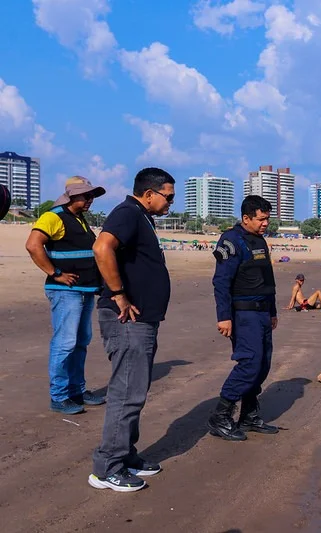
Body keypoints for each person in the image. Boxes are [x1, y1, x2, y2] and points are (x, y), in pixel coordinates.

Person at [88, 168, 175, 492]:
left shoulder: (141, 217)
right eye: (168, 197)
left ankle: (125, 455)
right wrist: (119, 294)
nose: (170, 203)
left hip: (142, 320)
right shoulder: (127, 213)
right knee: (126, 393)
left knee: (135, 392)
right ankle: (107, 467)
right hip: (127, 320)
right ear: (149, 193)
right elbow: (102, 248)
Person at [25, 176, 107, 415]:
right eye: (86, 195)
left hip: (84, 290)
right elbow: (33, 245)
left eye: (92, 196)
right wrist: (55, 273)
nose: (90, 199)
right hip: (66, 292)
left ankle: (76, 391)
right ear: (72, 195)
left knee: (81, 342)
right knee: (65, 343)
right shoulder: (53, 216)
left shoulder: (79, 218)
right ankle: (59, 396)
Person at [207, 195, 280, 441]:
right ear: (246, 218)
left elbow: (267, 280)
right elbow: (221, 281)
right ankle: (220, 417)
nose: (265, 223)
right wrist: (224, 316)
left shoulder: (260, 241)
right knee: (249, 363)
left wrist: (272, 311)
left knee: (263, 365)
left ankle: (248, 416)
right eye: (261, 219)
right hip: (243, 314)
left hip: (262, 312)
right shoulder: (232, 240)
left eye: (267, 219)